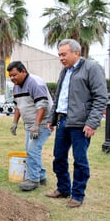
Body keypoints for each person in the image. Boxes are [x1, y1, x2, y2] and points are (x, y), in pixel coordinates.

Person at [46, 39, 107, 208]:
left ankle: (78, 195)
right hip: (63, 121)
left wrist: (92, 123)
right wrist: (52, 118)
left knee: (79, 161)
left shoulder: (92, 68)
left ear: (76, 53)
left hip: (81, 124)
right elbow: (59, 97)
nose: (61, 58)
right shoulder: (64, 72)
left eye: (64, 54)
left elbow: (101, 97)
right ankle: (63, 188)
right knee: (59, 157)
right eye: (59, 55)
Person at [7, 61, 53, 191]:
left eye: (14, 75)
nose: (12, 78)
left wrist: (37, 124)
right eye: (10, 76)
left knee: (33, 150)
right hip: (29, 124)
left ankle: (33, 180)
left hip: (42, 123)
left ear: (23, 71)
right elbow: (18, 106)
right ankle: (41, 176)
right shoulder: (16, 86)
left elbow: (42, 104)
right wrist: (15, 122)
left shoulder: (35, 82)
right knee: (31, 150)